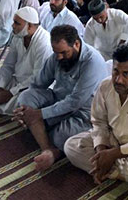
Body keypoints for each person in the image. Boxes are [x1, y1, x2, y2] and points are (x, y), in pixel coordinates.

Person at [64, 43, 128, 183]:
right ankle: (109, 169)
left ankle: (107, 170)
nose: (118, 80)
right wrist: (101, 151)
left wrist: (113, 154)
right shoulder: (105, 86)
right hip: (112, 140)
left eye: (126, 74)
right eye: (115, 71)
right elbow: (98, 122)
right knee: (71, 146)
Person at [14, 25, 109, 171]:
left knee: (61, 136)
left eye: (64, 53)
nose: (59, 57)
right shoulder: (57, 56)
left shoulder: (92, 62)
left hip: (83, 112)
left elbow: (74, 102)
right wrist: (24, 109)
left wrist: (39, 114)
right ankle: (48, 148)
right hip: (57, 99)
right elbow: (38, 84)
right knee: (26, 97)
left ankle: (47, 139)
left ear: (76, 44)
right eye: (55, 52)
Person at [0, 7, 51, 115]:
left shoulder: (44, 43)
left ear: (30, 26)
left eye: (17, 23)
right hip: (18, 81)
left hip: (36, 86)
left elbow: (37, 78)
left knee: (25, 100)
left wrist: (10, 93)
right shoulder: (18, 36)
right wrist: (0, 88)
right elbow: (8, 65)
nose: (13, 25)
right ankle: (0, 104)